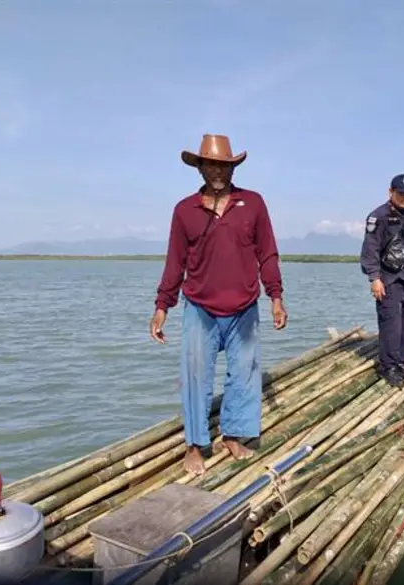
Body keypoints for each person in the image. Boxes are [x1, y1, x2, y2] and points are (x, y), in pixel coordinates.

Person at [150, 134, 288, 476]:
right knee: (195, 376)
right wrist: (161, 307)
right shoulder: (185, 211)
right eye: (210, 164)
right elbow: (174, 262)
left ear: (232, 167)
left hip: (244, 306)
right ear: (199, 167)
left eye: (223, 165)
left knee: (244, 375)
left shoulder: (252, 203)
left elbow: (267, 252)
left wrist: (276, 297)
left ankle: (233, 434)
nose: (217, 171)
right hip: (199, 307)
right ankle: (195, 444)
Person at [359, 173, 404, 388]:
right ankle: (388, 366)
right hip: (388, 279)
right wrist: (374, 278)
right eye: (402, 193)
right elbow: (370, 250)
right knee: (391, 325)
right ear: (391, 192)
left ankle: (401, 362)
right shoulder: (378, 217)